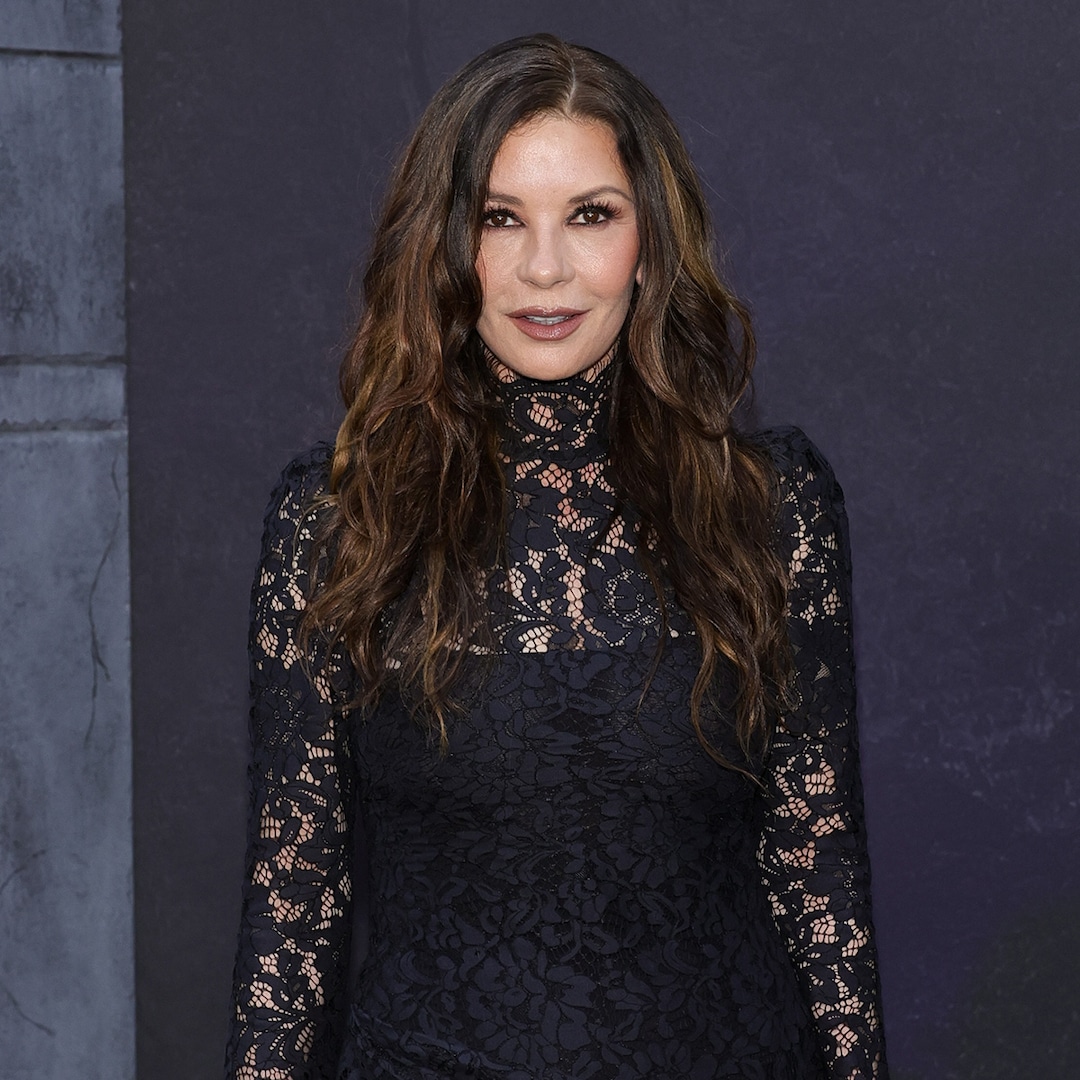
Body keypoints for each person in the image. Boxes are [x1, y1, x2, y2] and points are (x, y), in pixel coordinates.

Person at [226, 33, 889, 1080]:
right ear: (445, 245)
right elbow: (294, 908)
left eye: (591, 215)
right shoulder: (340, 522)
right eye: (500, 218)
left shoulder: (769, 507)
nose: (545, 268)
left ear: (650, 240)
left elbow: (819, 872)